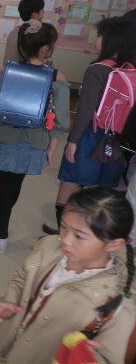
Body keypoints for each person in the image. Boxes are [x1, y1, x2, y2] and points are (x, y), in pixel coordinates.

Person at [0, 187, 136, 363]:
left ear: (113, 244)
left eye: (78, 236)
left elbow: (110, 357)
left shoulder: (120, 304)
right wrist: (10, 300)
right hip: (8, 350)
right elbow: (22, 277)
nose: (65, 239)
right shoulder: (48, 246)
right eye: (63, 226)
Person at [0, 20, 70, 253]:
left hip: (2, 138)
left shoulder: (4, 73)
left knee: (5, 185)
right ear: (45, 49)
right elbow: (60, 121)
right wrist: (51, 149)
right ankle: (2, 234)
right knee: (14, 185)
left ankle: (1, 236)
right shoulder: (57, 78)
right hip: (33, 142)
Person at [45, 17, 135, 234]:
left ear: (111, 40)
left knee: (70, 181)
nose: (96, 40)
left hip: (89, 136)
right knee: (102, 188)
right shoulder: (129, 69)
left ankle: (63, 232)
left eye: (100, 35)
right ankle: (88, 233)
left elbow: (85, 112)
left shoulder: (97, 70)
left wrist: (73, 141)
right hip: (114, 139)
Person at [3, 0, 45, 66]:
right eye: (42, 10)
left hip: (9, 69)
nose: (44, 12)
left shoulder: (15, 30)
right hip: (20, 71)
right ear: (34, 15)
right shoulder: (33, 32)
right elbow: (35, 61)